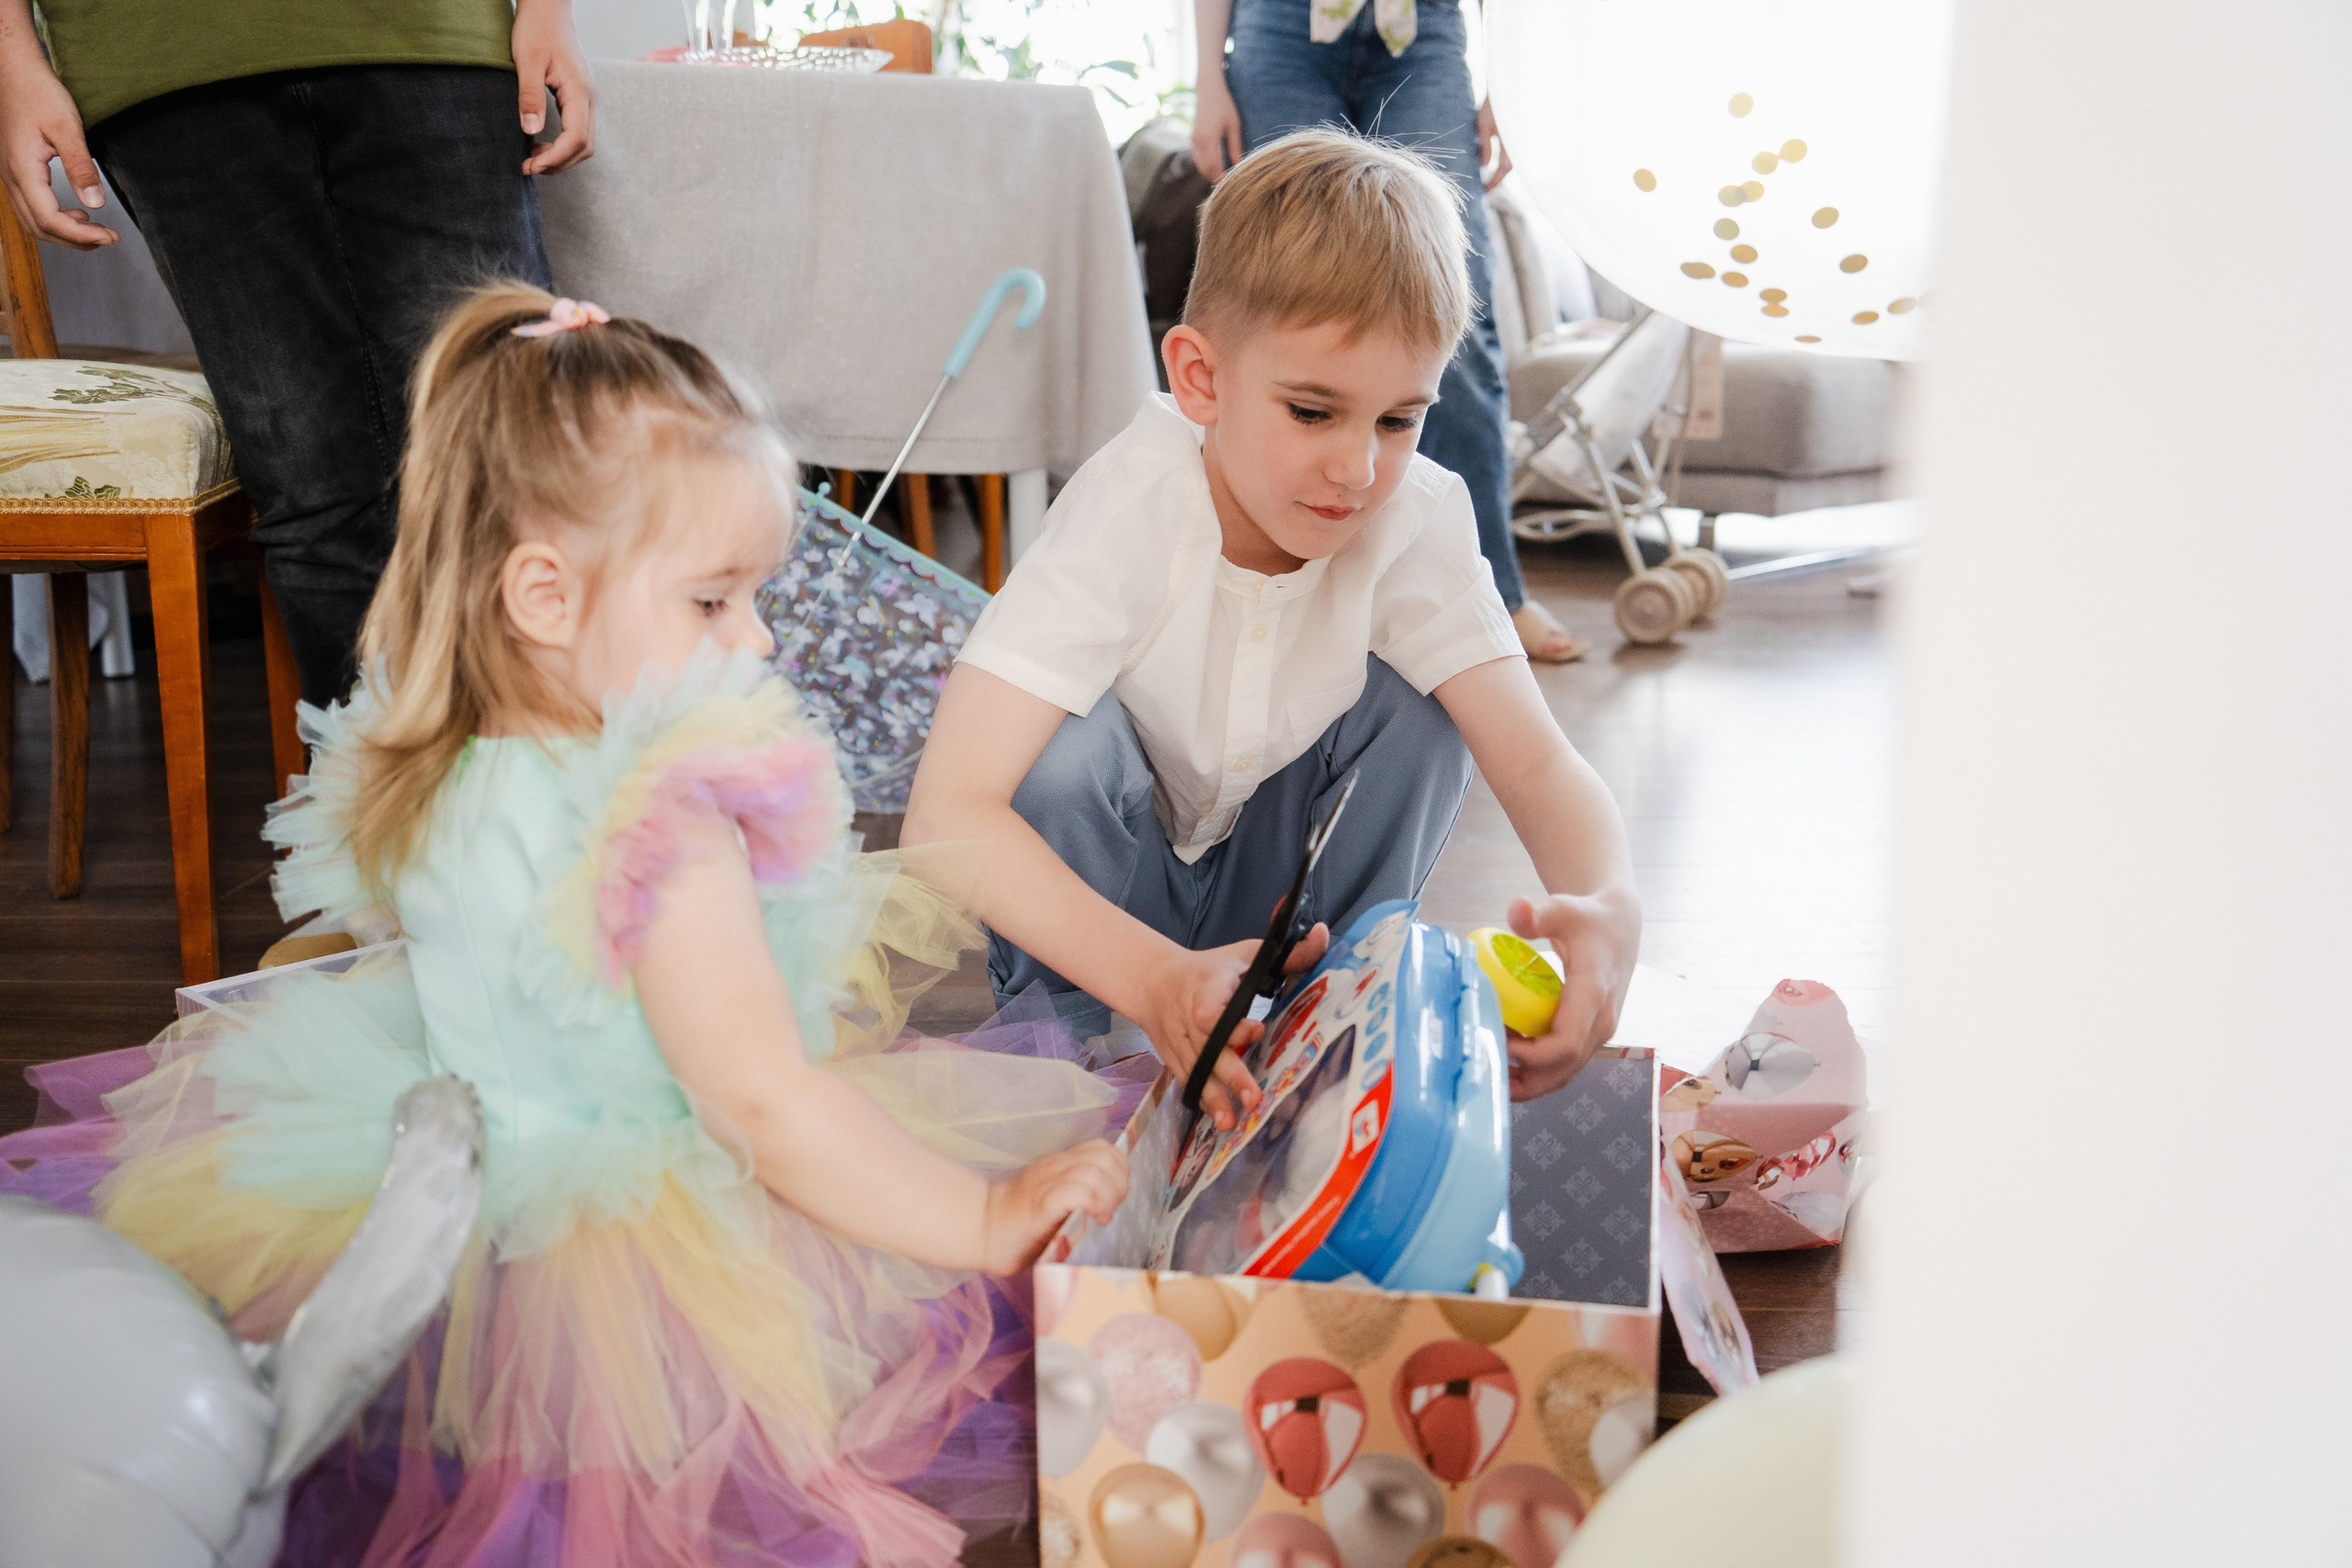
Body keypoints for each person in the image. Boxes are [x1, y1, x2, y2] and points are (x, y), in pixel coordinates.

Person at [0, 286, 1131, 1567]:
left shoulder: (422, 763)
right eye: (714, 600)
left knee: (469, 1496)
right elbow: (759, 1105)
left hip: (441, 1228)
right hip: (638, 1261)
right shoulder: (664, 820)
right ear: (542, 594)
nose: (757, 637)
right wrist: (982, 1220)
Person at [903, 130, 1641, 1121]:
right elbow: (947, 814)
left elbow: (1540, 766)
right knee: (1057, 754)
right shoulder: (1127, 508)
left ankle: (1331, 1019)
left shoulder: (1411, 515)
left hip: (1285, 906)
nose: (1357, 469)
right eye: (1310, 412)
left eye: (1396, 420)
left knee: (1425, 710)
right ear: (1200, 379)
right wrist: (1155, 980)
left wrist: (1609, 908)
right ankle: (1075, 1053)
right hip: (1115, 915)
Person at [0, 0, 593, 705]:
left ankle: (545, 795)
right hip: (159, 51)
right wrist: (13, 62)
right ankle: (372, 802)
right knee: (310, 485)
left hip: (432, 31)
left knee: (506, 461)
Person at [1190, 0, 1589, 665]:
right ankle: (1275, 599)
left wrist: (1511, 85)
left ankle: (1496, 596)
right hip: (1277, 30)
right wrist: (1208, 75)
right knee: (1283, 315)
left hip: (1424, 33)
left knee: (1451, 324)